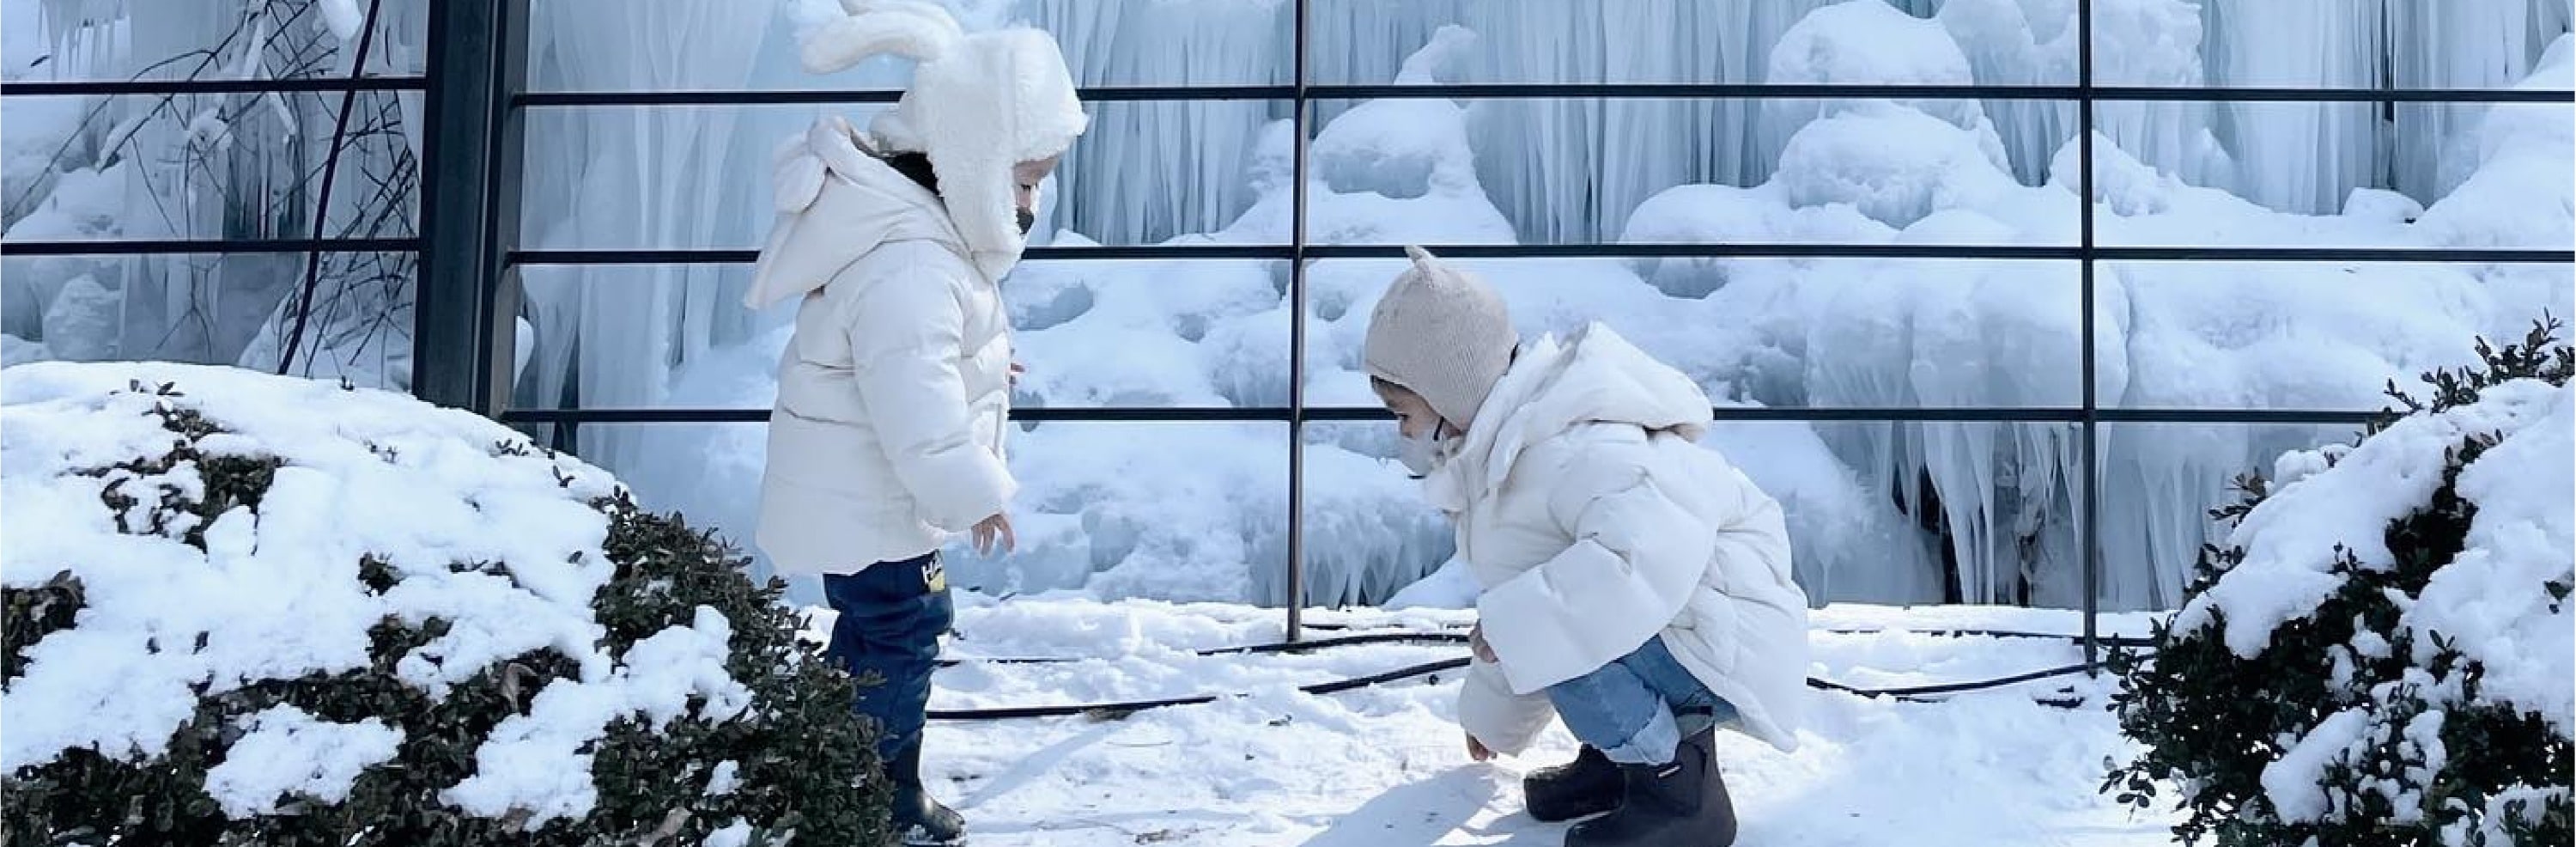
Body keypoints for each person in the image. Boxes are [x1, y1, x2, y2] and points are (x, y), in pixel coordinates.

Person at [742, 3, 1085, 844]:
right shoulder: (912, 260)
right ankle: (872, 795)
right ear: (966, 160)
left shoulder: (915, 238)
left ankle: (819, 764)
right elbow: (913, 404)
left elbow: (914, 362)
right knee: (904, 629)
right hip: (874, 497)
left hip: (868, 492)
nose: (1031, 204)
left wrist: (983, 364)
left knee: (874, 630)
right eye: (1024, 179)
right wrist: (975, 490)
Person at [1362, 247, 1812, 847]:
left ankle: (1678, 788)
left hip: (1720, 643)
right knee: (1545, 624)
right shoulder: (1509, 452)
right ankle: (1622, 762)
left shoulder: (1581, 450)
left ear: (1451, 393)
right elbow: (1524, 588)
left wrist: (1514, 631)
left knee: (1555, 633)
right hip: (1679, 629)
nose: (1406, 433)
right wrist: (1492, 722)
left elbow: (1636, 564)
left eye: (1404, 413)